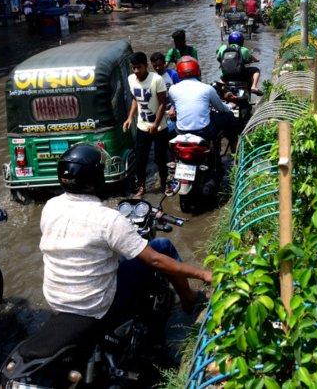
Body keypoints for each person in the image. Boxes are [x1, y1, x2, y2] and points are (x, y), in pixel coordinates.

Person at [40, 145, 212, 328]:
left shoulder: (51, 207)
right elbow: (154, 260)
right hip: (96, 305)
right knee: (162, 246)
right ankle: (190, 300)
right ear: (95, 178)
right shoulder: (108, 219)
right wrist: (203, 274)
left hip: (56, 301)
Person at [123, 52, 169, 196]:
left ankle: (164, 181)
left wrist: (156, 124)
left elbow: (162, 103)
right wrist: (130, 117)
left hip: (159, 127)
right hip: (142, 126)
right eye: (134, 68)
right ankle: (142, 186)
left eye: (139, 67)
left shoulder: (157, 80)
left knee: (160, 158)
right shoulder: (131, 79)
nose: (136, 71)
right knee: (140, 159)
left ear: (146, 66)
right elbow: (135, 99)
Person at [168, 56, 238, 148]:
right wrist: (229, 106)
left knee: (170, 124)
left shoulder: (172, 89)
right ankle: (234, 148)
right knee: (229, 116)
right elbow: (221, 108)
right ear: (198, 71)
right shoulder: (207, 88)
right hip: (204, 131)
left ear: (179, 72)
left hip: (181, 132)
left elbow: (174, 103)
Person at [216, 31, 263, 95]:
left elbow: (218, 58)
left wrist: (221, 64)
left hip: (226, 76)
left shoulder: (222, 48)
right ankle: (254, 86)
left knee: (220, 81)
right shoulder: (244, 50)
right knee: (256, 70)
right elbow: (250, 58)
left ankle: (219, 91)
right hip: (240, 75)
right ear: (242, 41)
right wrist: (256, 60)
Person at [151, 51, 180, 137]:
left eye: (159, 65)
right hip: (159, 112)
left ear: (164, 63)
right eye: (155, 66)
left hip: (172, 110)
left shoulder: (173, 74)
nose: (157, 68)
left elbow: (180, 93)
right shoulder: (152, 77)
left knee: (171, 132)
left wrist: (173, 107)